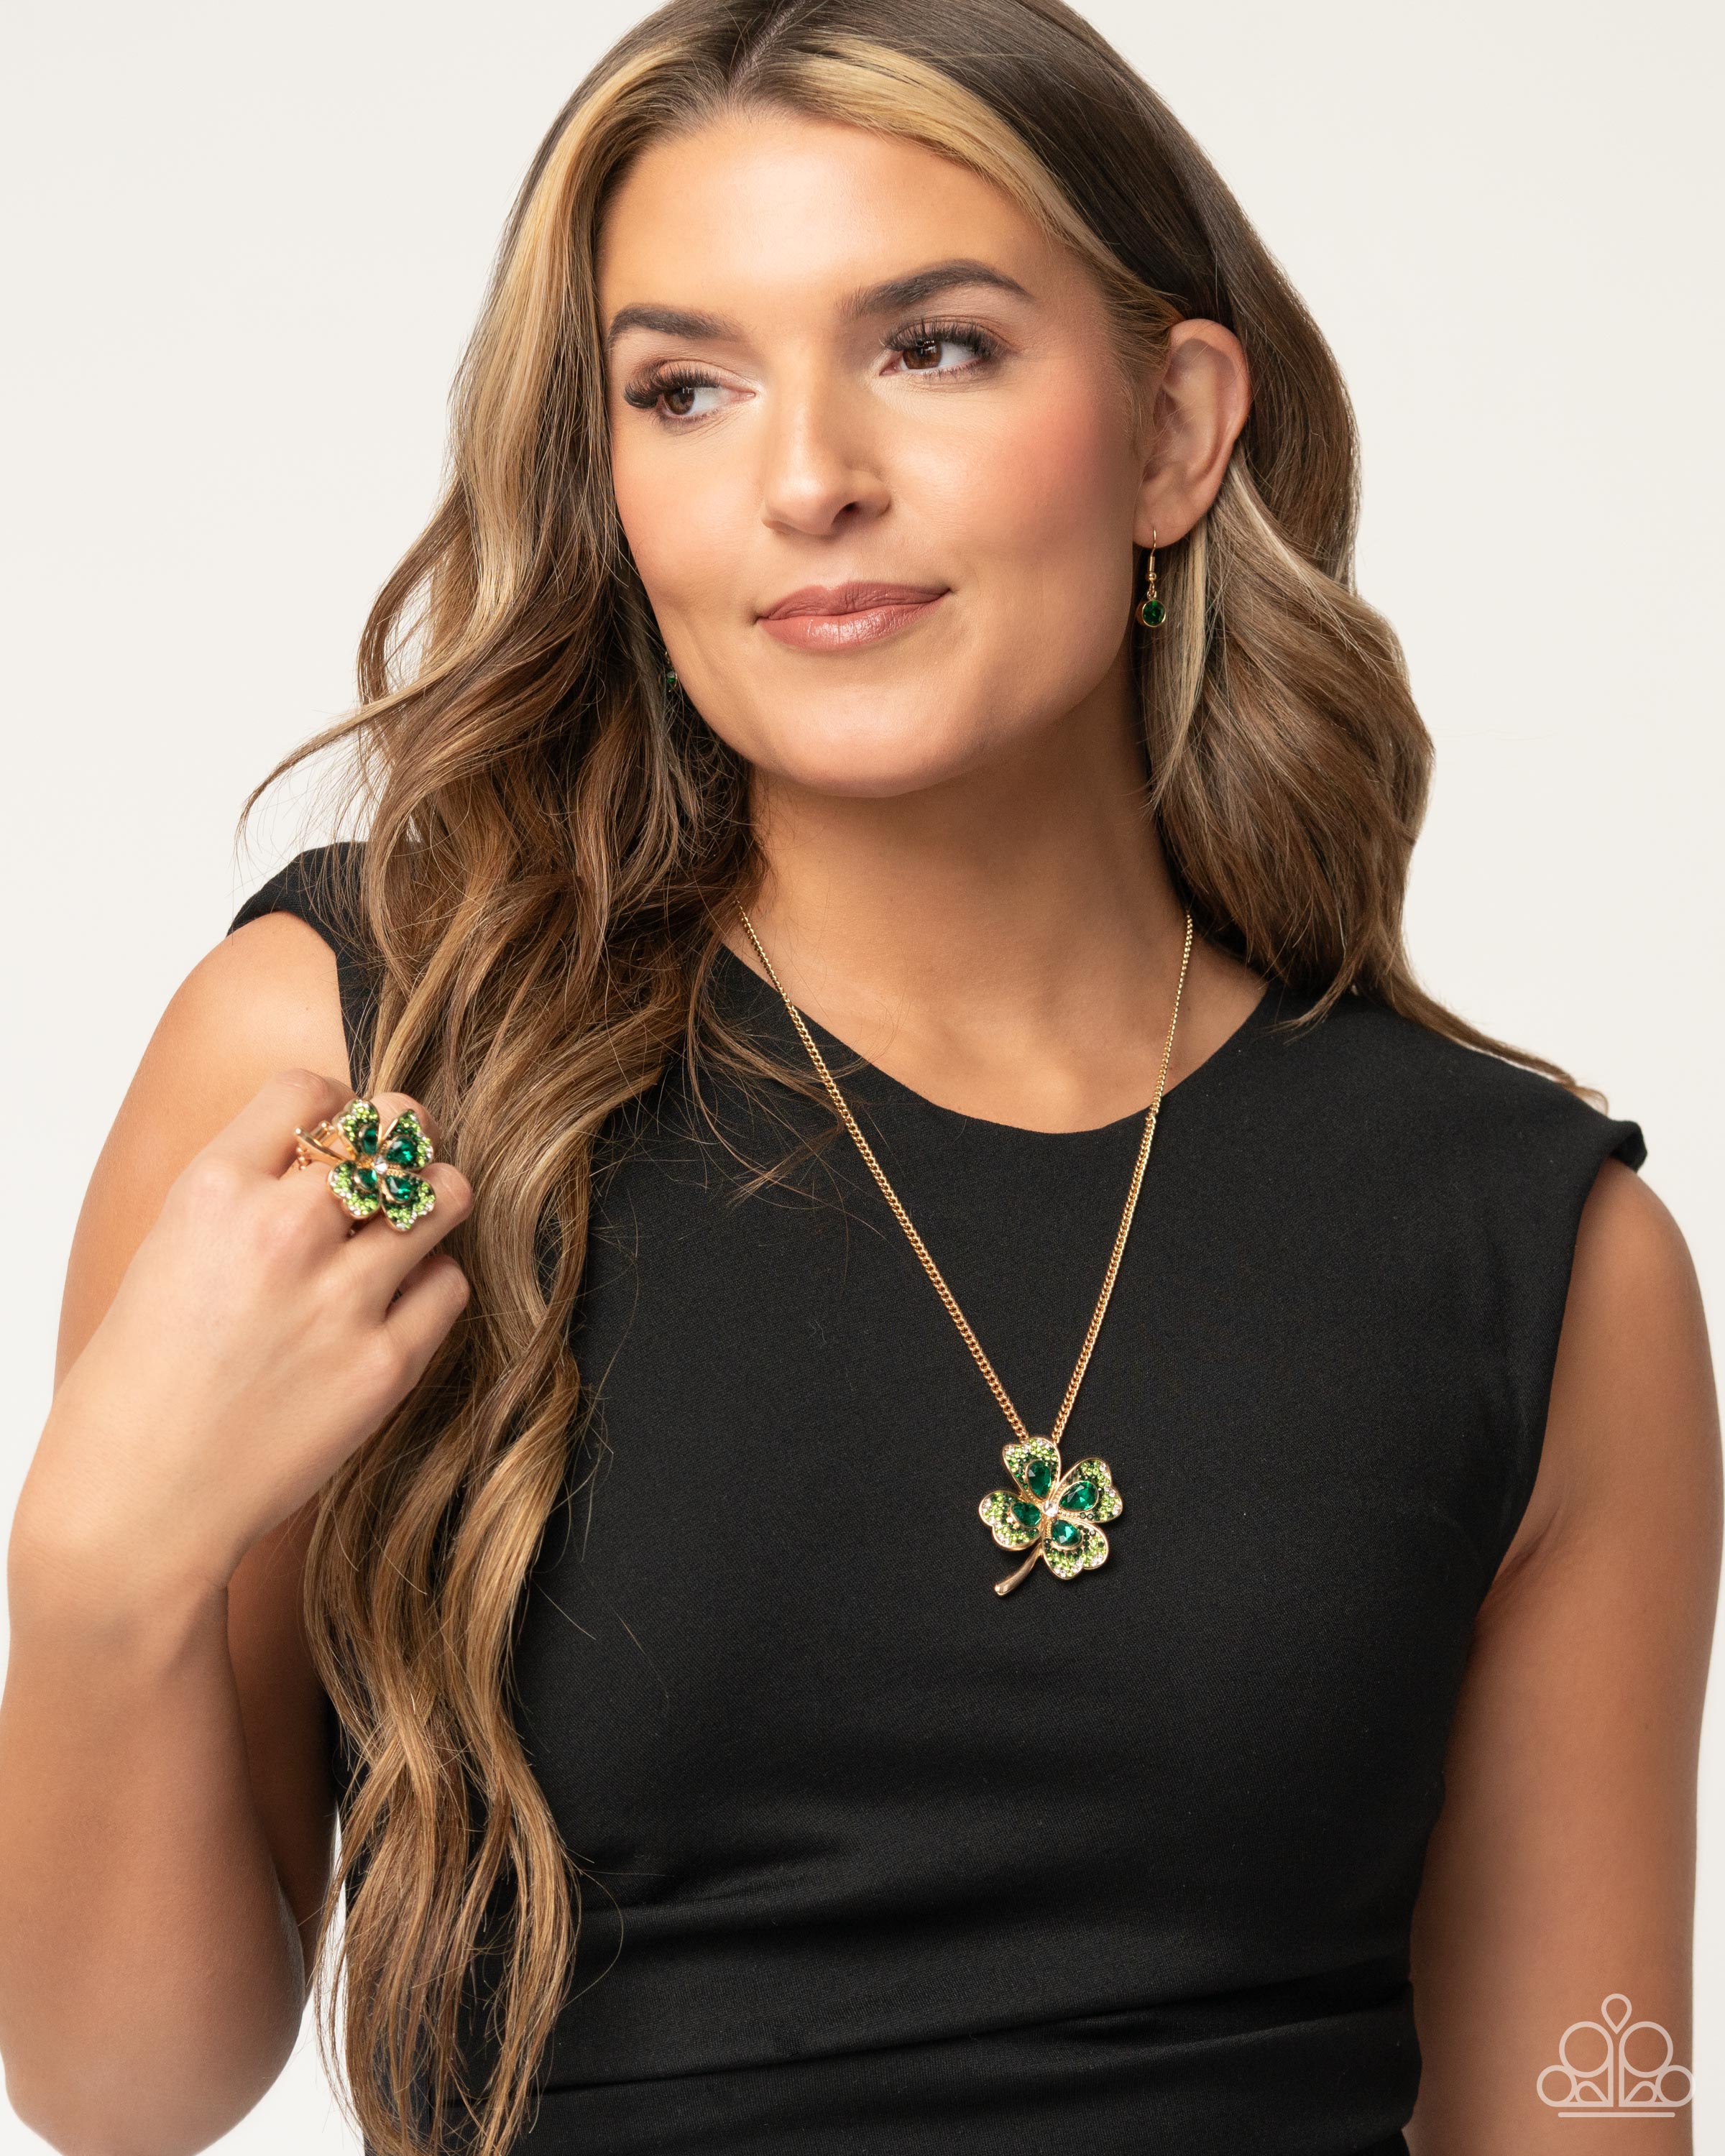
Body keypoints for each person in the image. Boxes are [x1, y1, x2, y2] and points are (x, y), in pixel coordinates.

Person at [1, 1, 1717, 2152]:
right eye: (686, 388)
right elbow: (123, 2092)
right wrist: (102, 1566)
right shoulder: (371, 1068)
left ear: (1174, 429)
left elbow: (1590, 2094)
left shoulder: (1537, 1249)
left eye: (934, 348)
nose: (807, 478)